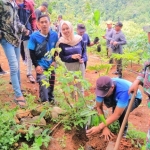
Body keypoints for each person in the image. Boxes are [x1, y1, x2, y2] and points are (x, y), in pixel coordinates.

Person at [86, 76, 142, 140]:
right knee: (113, 109)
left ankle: (123, 134)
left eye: (104, 93)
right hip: (115, 95)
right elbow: (99, 107)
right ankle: (112, 123)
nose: (101, 95)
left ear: (112, 87)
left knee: (122, 112)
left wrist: (99, 127)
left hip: (134, 97)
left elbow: (117, 114)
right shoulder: (102, 88)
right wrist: (105, 127)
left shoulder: (124, 90)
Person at [0, 0, 29, 108]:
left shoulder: (14, 4)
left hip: (16, 38)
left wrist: (24, 29)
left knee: (17, 65)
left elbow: (16, 21)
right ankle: (18, 95)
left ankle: (19, 88)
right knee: (14, 65)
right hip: (6, 38)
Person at [28, 14, 58, 102]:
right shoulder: (34, 36)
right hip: (41, 65)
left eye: (46, 22)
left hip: (51, 64)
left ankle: (51, 99)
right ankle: (45, 103)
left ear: (50, 23)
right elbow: (31, 52)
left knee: (51, 83)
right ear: (38, 24)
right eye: (42, 22)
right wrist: (36, 65)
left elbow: (57, 49)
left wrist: (54, 60)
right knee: (43, 83)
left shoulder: (54, 35)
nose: (44, 24)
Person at [57, 21, 86, 95]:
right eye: (63, 29)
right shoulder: (61, 42)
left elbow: (84, 52)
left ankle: (81, 106)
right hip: (68, 67)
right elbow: (62, 57)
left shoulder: (79, 39)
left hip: (79, 66)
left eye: (67, 28)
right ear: (61, 31)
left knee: (80, 86)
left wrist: (83, 59)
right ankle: (73, 105)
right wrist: (71, 57)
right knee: (71, 88)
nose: (66, 31)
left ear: (71, 28)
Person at [16, 0, 37, 83]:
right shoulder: (12, 3)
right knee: (15, 55)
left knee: (29, 54)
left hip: (27, 33)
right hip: (15, 34)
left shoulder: (28, 4)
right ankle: (15, 75)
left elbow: (33, 18)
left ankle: (29, 73)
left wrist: (34, 29)